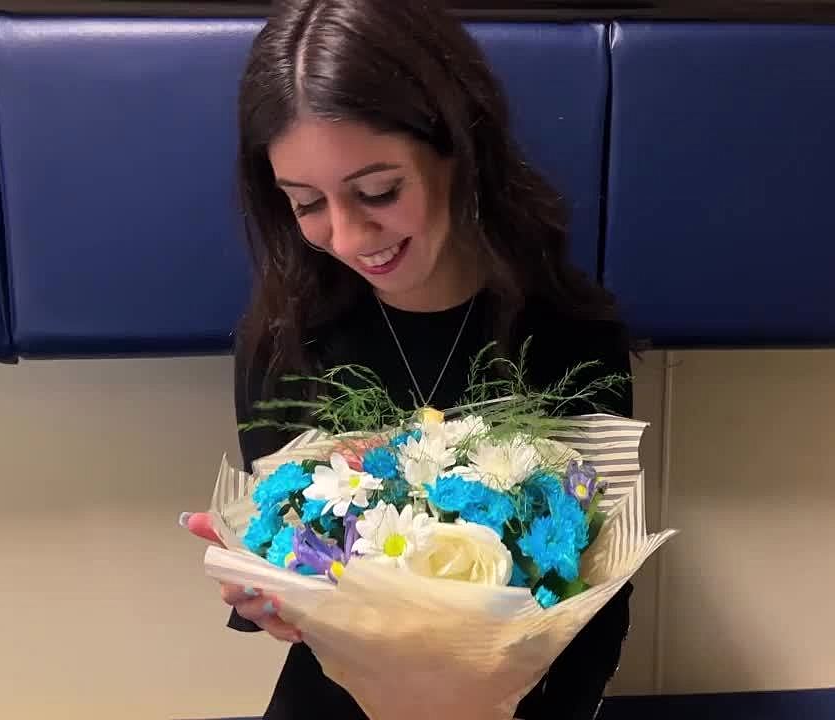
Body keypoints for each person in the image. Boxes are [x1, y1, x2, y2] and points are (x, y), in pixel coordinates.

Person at [208, 0, 637, 717]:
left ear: (458, 149)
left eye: (378, 192)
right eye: (306, 203)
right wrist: (268, 589)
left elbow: (599, 600)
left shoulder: (571, 338)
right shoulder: (286, 338)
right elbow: (292, 566)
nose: (348, 237)